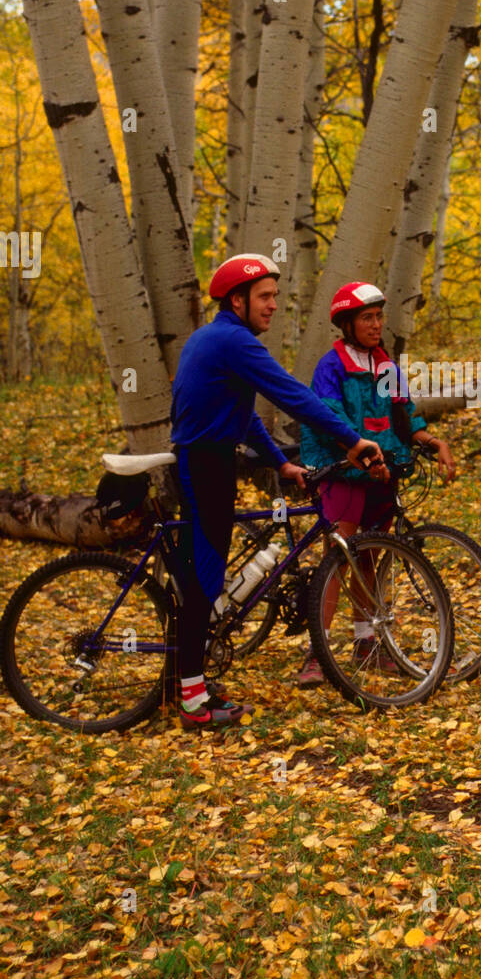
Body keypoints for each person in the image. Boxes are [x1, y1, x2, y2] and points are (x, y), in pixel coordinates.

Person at [170, 254, 383, 729]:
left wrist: (280, 462)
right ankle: (191, 703)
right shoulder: (233, 341)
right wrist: (353, 439)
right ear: (237, 300)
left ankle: (189, 683)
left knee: (200, 576)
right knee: (204, 581)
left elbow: (242, 413)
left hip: (210, 460)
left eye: (274, 296)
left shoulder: (218, 339)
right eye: (264, 297)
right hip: (206, 465)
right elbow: (292, 393)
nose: (272, 306)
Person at [296, 281, 456, 687]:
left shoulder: (386, 365)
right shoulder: (330, 366)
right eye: (366, 317)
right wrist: (364, 457)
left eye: (378, 316)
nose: (375, 324)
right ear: (347, 324)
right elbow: (332, 421)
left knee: (367, 558)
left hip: (382, 472)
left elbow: (405, 416)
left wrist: (432, 442)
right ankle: (318, 652)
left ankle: (366, 643)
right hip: (342, 472)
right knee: (340, 554)